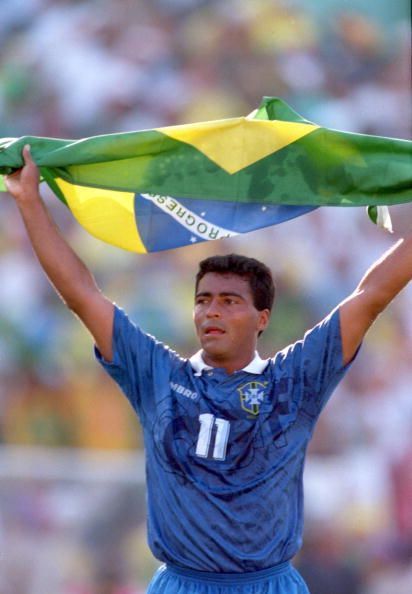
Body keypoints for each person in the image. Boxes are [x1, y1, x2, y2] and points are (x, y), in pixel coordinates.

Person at [4, 145, 412, 594]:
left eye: (229, 301)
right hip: (181, 585)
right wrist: (29, 202)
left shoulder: (295, 379)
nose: (211, 312)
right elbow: (82, 294)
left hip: (267, 585)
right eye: (203, 300)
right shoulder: (158, 375)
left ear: (262, 318)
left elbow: (370, 296)